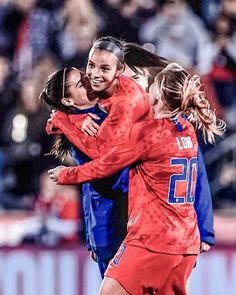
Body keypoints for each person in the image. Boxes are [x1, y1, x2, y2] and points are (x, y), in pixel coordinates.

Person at [48, 63, 225, 294]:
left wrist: (64, 132)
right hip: (178, 237)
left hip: (148, 235)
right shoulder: (185, 128)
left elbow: (105, 162)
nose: (91, 77)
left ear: (157, 97)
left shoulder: (144, 130)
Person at [40, 66, 129, 277]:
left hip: (118, 219)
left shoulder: (91, 113)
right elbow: (105, 169)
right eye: (81, 83)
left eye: (83, 75)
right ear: (68, 101)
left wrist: (64, 119)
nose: (89, 80)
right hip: (113, 223)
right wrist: (68, 121)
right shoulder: (81, 131)